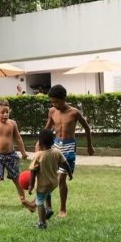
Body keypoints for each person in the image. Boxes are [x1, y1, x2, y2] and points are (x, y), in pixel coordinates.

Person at [43, 84, 93, 217]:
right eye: (52, 102)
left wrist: (89, 146)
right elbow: (47, 128)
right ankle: (48, 207)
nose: (54, 105)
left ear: (64, 99)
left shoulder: (74, 112)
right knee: (48, 177)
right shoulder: (52, 111)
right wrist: (40, 143)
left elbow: (87, 128)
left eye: (57, 102)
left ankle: (63, 209)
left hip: (69, 146)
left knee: (61, 179)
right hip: (55, 144)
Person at [24, 129, 72, 229]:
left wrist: (31, 185)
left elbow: (33, 171)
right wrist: (70, 173)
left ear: (40, 144)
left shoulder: (38, 155)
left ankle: (42, 223)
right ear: (53, 142)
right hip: (54, 183)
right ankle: (48, 208)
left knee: (40, 201)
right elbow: (65, 164)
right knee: (47, 193)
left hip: (43, 184)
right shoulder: (57, 152)